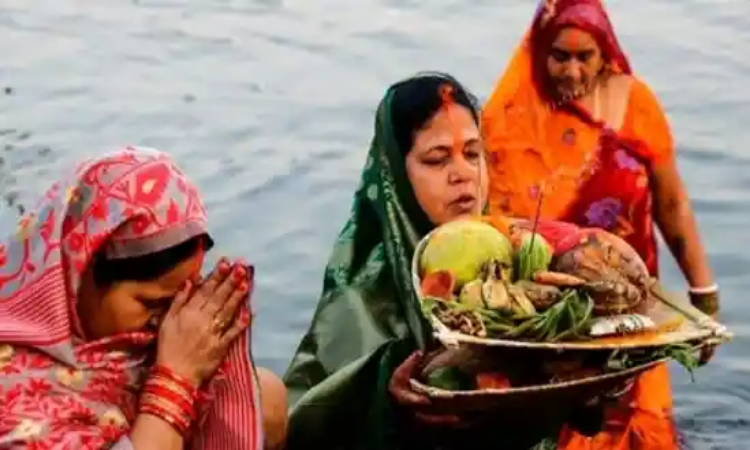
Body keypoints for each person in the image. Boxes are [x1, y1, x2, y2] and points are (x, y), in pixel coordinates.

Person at [283, 73, 612, 450]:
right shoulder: (361, 299)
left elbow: (586, 419)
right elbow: (301, 424)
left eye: (473, 154)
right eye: (438, 160)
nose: (464, 175)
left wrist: (585, 382)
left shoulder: (525, 267)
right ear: (395, 178)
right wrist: (386, 404)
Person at [481, 0, 718, 448]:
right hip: (554, 324)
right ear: (538, 51)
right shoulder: (507, 120)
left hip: (633, 310)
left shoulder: (636, 104)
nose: (571, 72)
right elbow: (494, 229)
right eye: (559, 56)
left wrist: (703, 295)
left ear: (604, 51)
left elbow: (672, 203)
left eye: (583, 56)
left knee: (639, 429)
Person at [0, 147, 286, 450]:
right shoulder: (12, 391)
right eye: (151, 304)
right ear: (77, 275)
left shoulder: (121, 353)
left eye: (182, 298)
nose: (167, 321)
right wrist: (177, 378)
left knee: (264, 398)